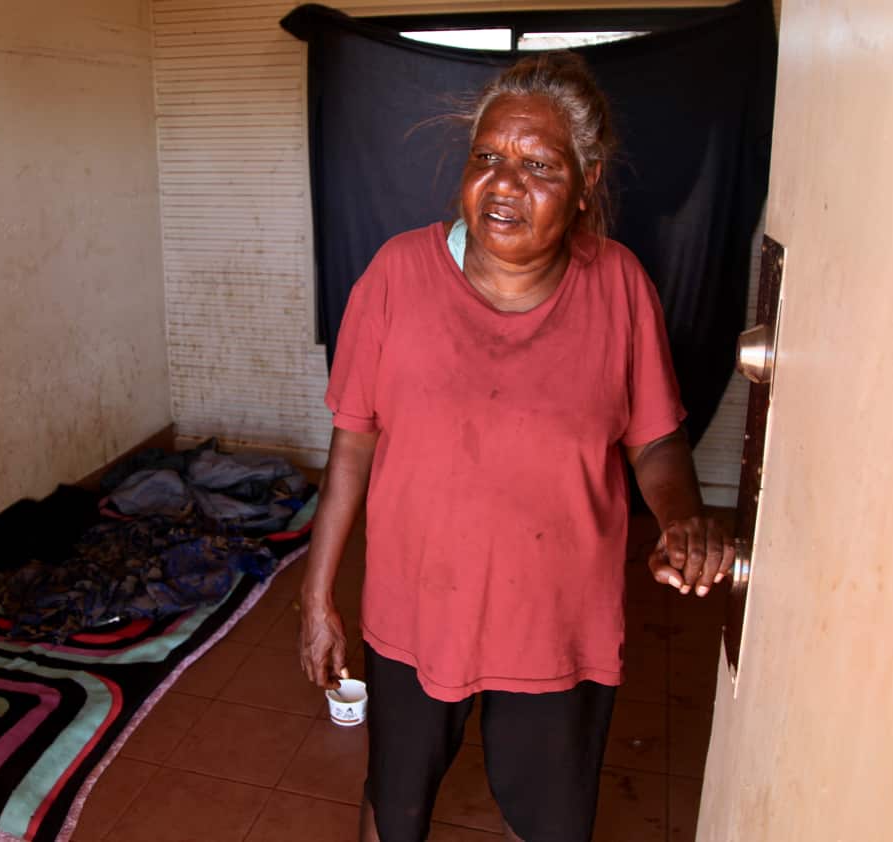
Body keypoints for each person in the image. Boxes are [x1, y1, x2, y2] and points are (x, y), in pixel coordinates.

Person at [298, 52, 736, 842]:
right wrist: (316, 598)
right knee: (394, 804)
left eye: (538, 165)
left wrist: (680, 517)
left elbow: (656, 439)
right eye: (487, 157)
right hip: (415, 609)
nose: (504, 183)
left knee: (548, 823)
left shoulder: (619, 285)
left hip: (557, 619)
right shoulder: (396, 276)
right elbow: (351, 450)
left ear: (587, 181)